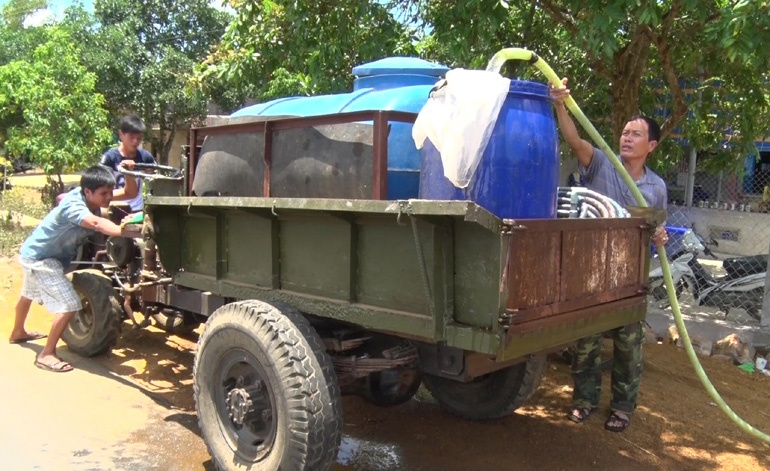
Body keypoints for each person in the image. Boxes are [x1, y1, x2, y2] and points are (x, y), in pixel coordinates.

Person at [550, 77, 669, 433]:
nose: (627, 138)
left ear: (652, 145)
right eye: (625, 132)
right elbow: (574, 139)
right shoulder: (602, 163)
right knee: (586, 342)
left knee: (628, 346)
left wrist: (659, 235)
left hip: (631, 275)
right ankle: (583, 401)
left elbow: (656, 229)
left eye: (636, 134)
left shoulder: (657, 186)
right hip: (592, 271)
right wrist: (561, 104)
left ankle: (622, 407)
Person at [8, 166, 137, 372]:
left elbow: (130, 193)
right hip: (41, 259)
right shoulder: (73, 205)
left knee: (28, 293)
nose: (109, 198)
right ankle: (46, 354)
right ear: (87, 191)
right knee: (69, 304)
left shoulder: (93, 194)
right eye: (105, 194)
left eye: (110, 192)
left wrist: (128, 172)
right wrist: (125, 231)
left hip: (38, 253)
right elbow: (95, 222)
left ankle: (17, 332)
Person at [99, 115, 156, 216]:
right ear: (121, 134)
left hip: (138, 211)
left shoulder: (146, 158)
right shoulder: (109, 159)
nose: (135, 141)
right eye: (131, 137)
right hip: (113, 210)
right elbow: (100, 188)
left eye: (138, 138)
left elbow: (155, 183)